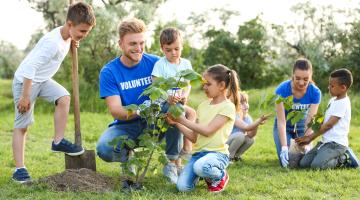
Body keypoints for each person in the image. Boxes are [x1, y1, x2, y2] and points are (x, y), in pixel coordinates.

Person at [11, 2, 96, 183]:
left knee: (63, 97)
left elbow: (70, 36)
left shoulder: (67, 35)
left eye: (87, 32)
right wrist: (25, 97)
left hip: (42, 80)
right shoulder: (52, 43)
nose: (84, 36)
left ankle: (57, 141)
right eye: (82, 31)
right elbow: (30, 67)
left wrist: (74, 40)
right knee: (22, 126)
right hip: (26, 82)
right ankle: (19, 169)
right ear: (70, 24)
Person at [96, 18, 183, 184]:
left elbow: (175, 90)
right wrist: (143, 110)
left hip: (157, 122)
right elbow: (116, 111)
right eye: (133, 43)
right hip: (127, 125)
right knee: (104, 149)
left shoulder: (157, 63)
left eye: (142, 43)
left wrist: (178, 97)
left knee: (176, 108)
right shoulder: (109, 71)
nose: (138, 48)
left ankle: (172, 163)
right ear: (120, 44)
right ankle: (128, 158)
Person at [168, 64, 239, 193]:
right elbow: (194, 137)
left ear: (222, 85)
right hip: (198, 155)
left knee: (201, 166)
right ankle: (202, 173)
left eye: (208, 84)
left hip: (217, 155)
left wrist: (182, 120)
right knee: (183, 187)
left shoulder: (228, 107)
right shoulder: (202, 106)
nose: (204, 87)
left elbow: (207, 131)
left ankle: (220, 175)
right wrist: (176, 123)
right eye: (204, 84)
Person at [296, 68, 360, 169]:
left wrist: (310, 137)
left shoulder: (343, 103)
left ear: (343, 88)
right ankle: (324, 154)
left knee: (317, 166)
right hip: (325, 142)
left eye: (332, 86)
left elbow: (329, 125)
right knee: (304, 163)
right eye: (329, 84)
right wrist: (315, 122)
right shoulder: (332, 100)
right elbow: (325, 122)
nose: (328, 87)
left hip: (336, 144)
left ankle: (344, 158)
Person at [151, 27, 196, 162]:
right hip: (162, 103)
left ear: (182, 46)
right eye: (168, 50)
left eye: (177, 49)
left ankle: (187, 147)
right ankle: (173, 159)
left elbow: (187, 84)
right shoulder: (160, 64)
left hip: (178, 101)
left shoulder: (186, 64)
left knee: (192, 113)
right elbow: (155, 87)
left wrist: (185, 95)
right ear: (162, 48)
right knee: (177, 113)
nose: (173, 53)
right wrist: (167, 97)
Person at [273, 58, 321, 168]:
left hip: (301, 127)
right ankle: (287, 149)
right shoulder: (282, 90)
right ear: (292, 75)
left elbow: (310, 120)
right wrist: (284, 147)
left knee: (304, 158)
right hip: (284, 127)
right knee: (288, 161)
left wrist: (307, 141)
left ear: (311, 77)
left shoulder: (315, 92)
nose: (301, 82)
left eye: (305, 79)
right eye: (297, 78)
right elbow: (281, 121)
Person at [227, 92, 270, 162]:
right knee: (240, 135)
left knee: (250, 139)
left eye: (246, 102)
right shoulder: (233, 115)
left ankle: (236, 156)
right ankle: (228, 157)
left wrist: (257, 124)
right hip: (225, 143)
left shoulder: (247, 117)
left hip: (234, 141)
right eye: (241, 103)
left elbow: (251, 134)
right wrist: (258, 121)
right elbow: (246, 127)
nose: (245, 105)